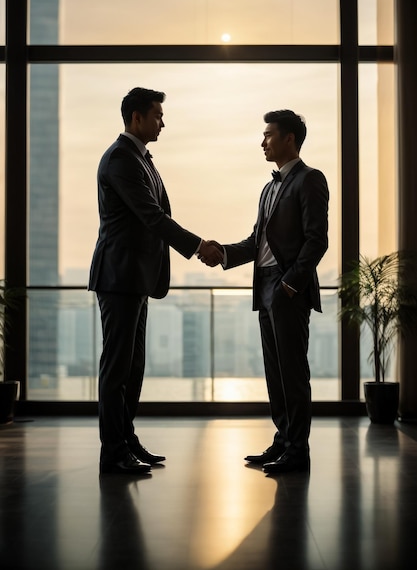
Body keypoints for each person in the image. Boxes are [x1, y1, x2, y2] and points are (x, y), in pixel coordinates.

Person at [89, 86, 223, 475]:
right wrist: (199, 245)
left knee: (133, 367)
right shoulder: (120, 159)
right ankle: (112, 452)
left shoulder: (140, 158)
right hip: (119, 277)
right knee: (117, 368)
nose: (163, 122)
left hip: (136, 278)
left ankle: (126, 440)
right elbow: (152, 216)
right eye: (158, 115)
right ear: (137, 118)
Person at [201, 110, 329, 473]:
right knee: (275, 371)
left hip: (287, 288)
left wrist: (291, 283)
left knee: (292, 370)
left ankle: (298, 450)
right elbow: (256, 242)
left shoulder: (310, 179)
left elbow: (317, 240)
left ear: (289, 138)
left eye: (268, 135)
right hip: (266, 287)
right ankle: (284, 439)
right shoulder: (269, 188)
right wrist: (222, 253)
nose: (263, 142)